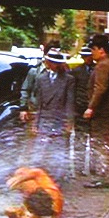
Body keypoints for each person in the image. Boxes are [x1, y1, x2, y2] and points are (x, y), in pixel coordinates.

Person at [31, 48, 75, 182]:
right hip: (44, 119)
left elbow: (70, 102)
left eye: (57, 63)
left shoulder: (68, 80)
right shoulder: (41, 79)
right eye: (52, 62)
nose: (55, 65)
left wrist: (69, 122)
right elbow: (38, 103)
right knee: (39, 152)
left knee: (58, 152)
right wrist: (35, 123)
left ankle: (56, 180)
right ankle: (38, 179)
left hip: (59, 120)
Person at [83, 34, 109, 188]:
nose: (92, 53)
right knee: (106, 142)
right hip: (107, 111)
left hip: (103, 112)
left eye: (94, 49)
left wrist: (91, 107)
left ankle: (106, 176)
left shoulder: (103, 65)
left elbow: (100, 88)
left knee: (103, 143)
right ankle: (108, 175)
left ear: (101, 50)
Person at [69, 45, 95, 176]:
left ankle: (94, 167)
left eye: (89, 56)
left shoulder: (97, 69)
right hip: (80, 109)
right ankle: (79, 167)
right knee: (80, 139)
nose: (88, 59)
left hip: (94, 109)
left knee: (94, 140)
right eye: (85, 57)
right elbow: (73, 91)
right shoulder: (76, 71)